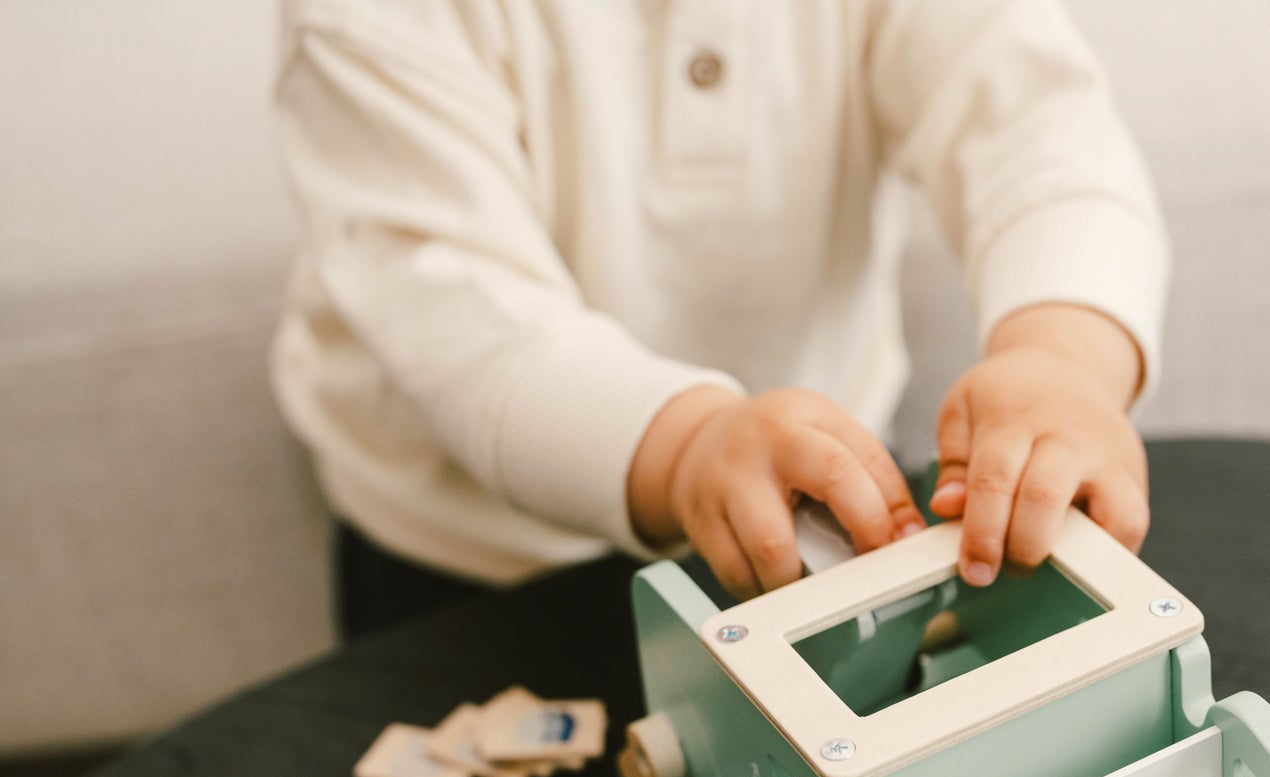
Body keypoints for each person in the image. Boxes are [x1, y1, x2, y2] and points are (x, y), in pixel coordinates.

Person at [272, 0, 1167, 636]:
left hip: (821, 500)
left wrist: (1064, 360)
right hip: (475, 555)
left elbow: (1042, 134)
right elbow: (460, 315)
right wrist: (690, 443)